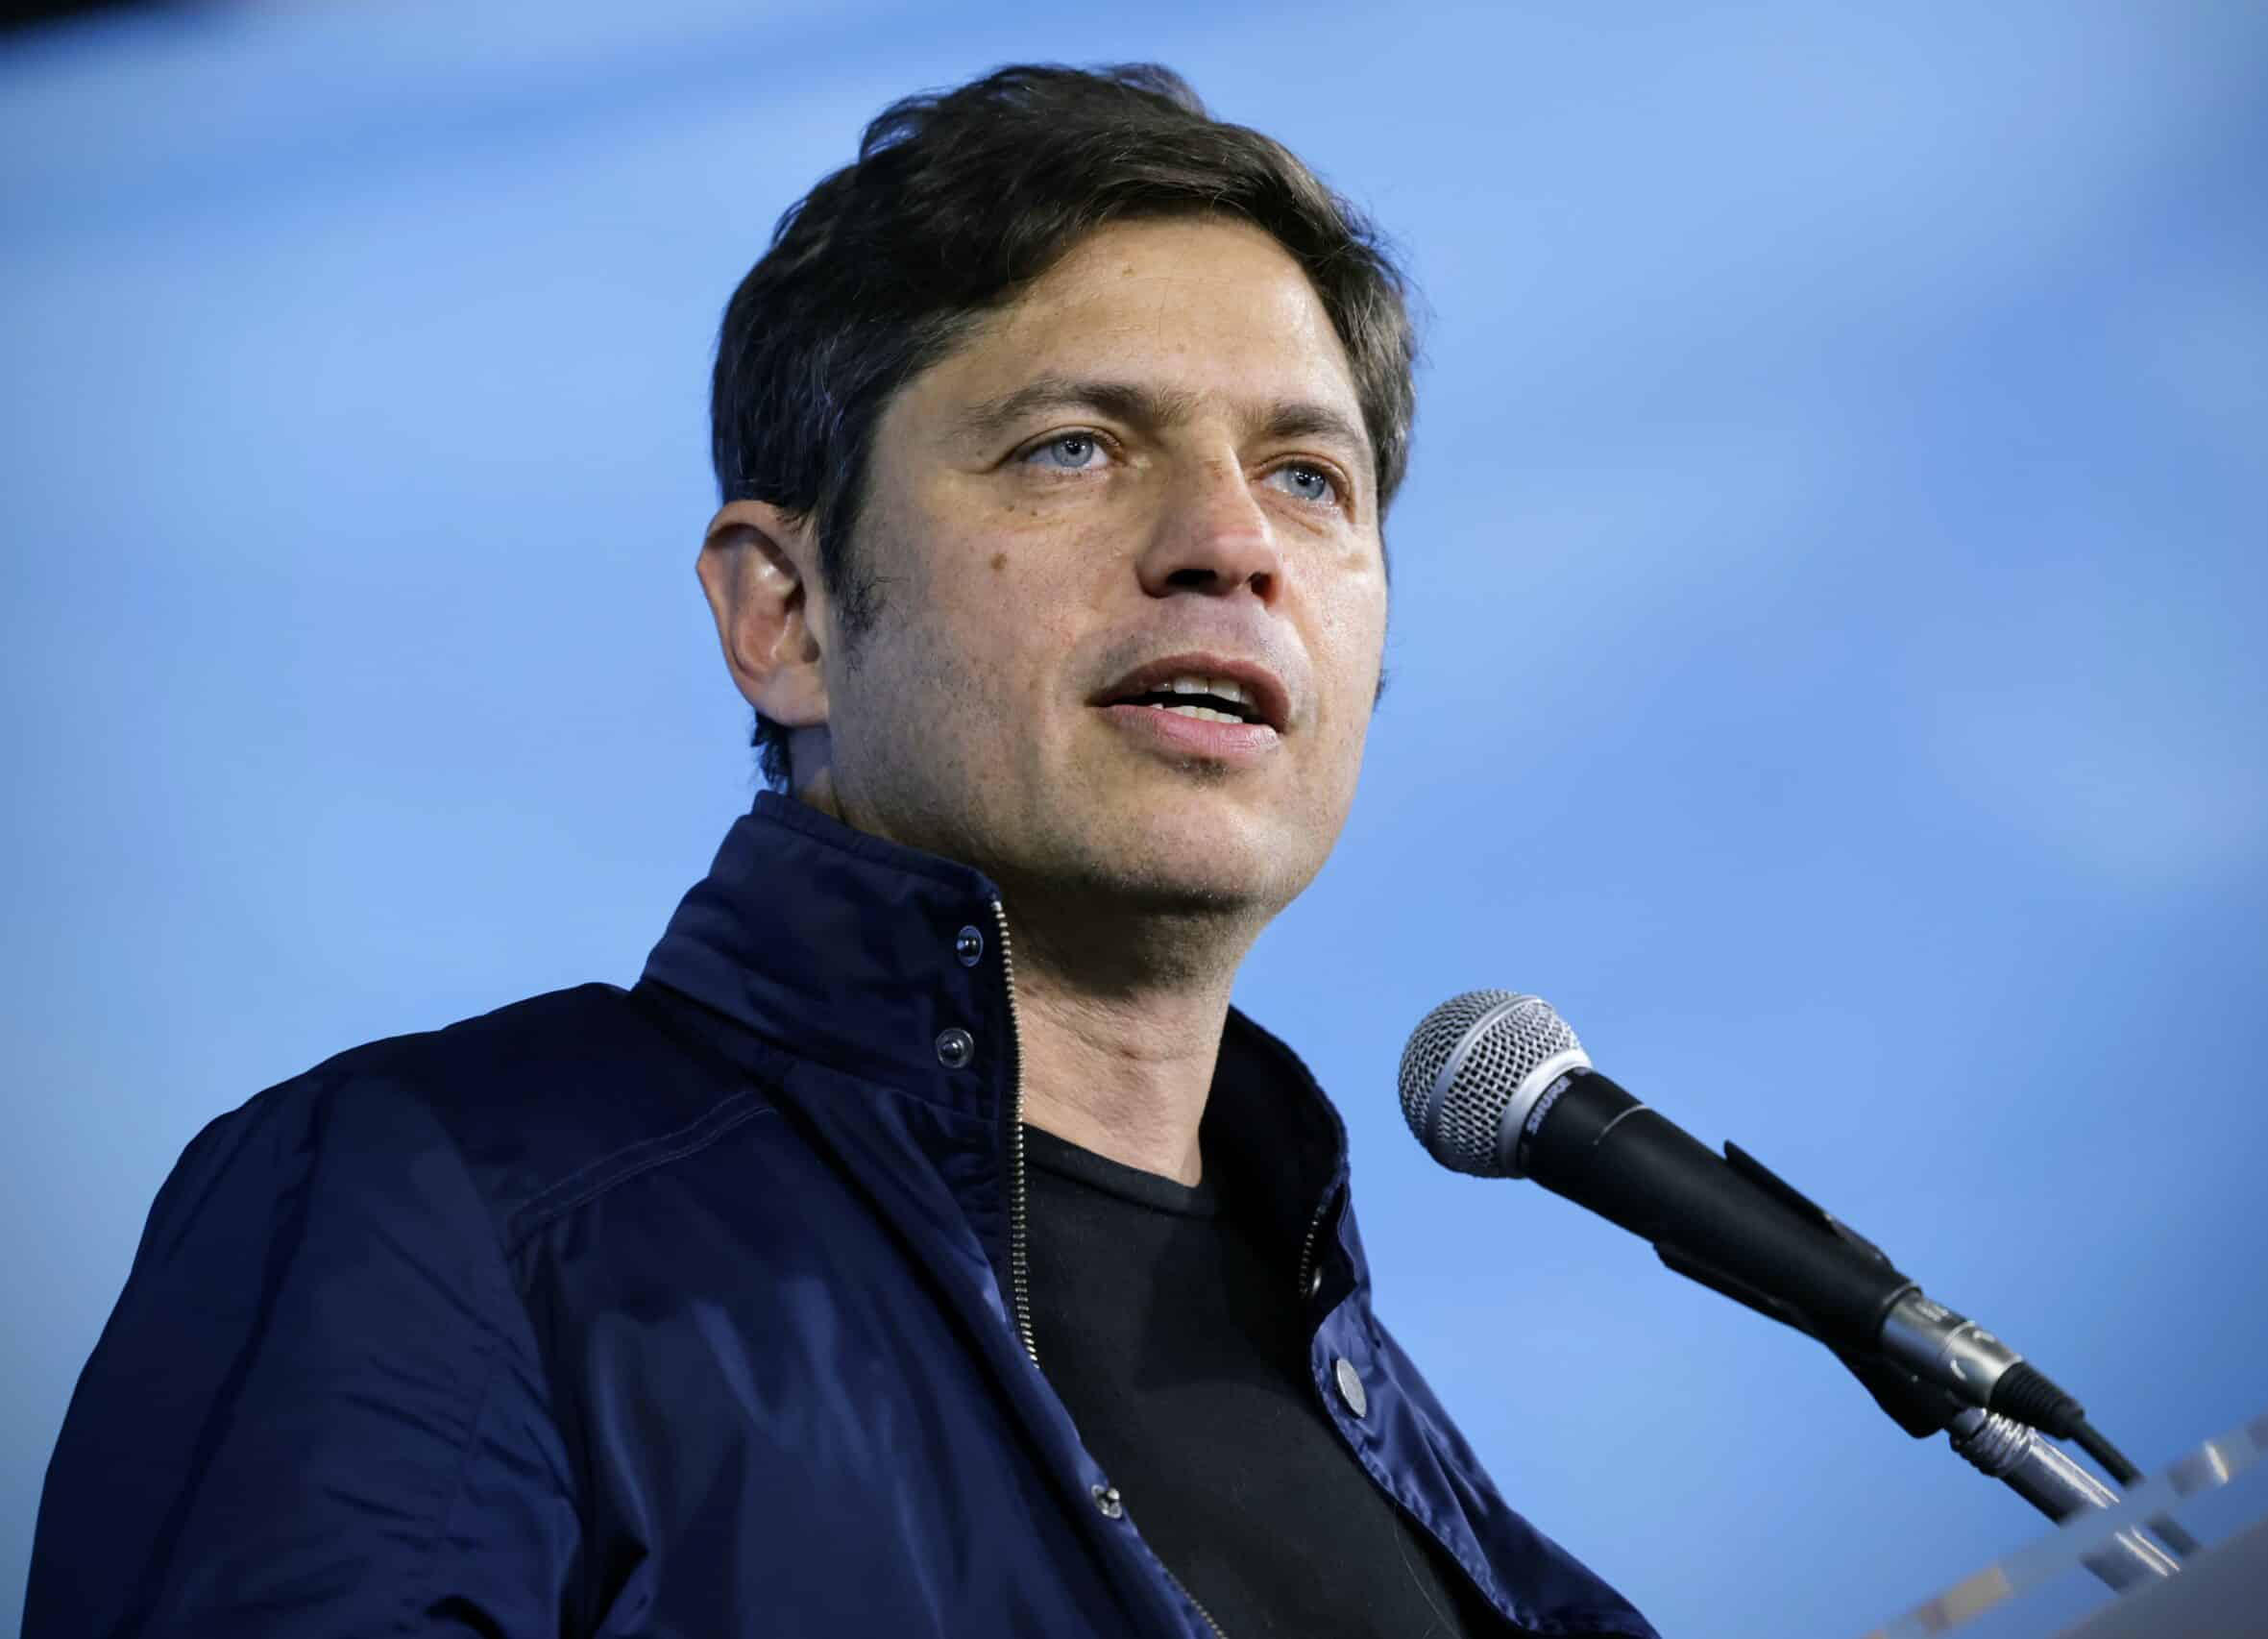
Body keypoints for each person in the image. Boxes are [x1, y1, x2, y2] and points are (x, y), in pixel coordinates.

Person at [26, 64, 1658, 1638]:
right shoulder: (442, 1213)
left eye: (1308, 478)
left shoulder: (1466, 1518)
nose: (1232, 545)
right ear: (786, 615)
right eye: (1074, 445)